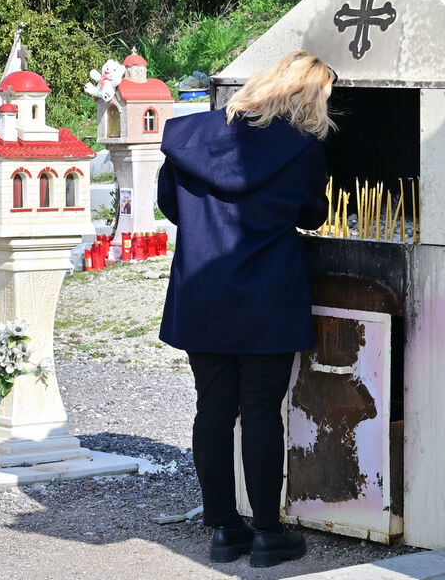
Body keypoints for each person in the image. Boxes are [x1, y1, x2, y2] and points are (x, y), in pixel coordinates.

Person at [156, 50, 335, 567]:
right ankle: (266, 534)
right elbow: (313, 215)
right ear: (307, 97)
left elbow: (169, 205)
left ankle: (223, 530)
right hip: (267, 297)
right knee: (259, 413)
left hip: (202, 292)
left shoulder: (188, 139)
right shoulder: (302, 150)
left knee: (212, 408)